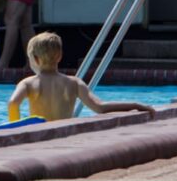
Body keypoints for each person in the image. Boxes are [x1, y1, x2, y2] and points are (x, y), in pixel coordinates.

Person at [8, 32, 156, 122]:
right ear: (60, 56)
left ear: (35, 58)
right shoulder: (74, 83)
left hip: (39, 135)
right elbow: (100, 108)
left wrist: (14, 129)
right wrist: (136, 105)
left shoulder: (27, 84)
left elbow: (13, 103)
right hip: (63, 135)